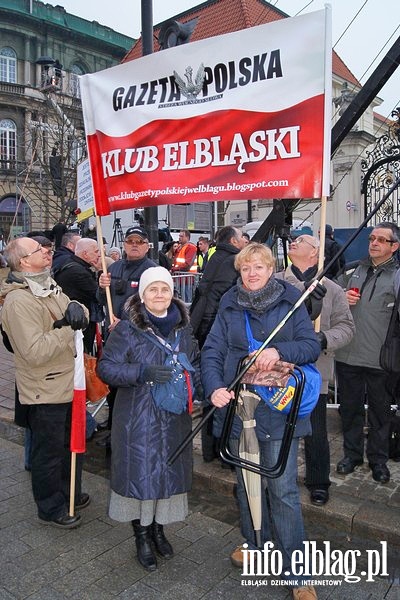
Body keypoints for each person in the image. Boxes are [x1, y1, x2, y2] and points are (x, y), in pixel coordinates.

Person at [201, 242, 320, 600]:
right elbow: (212, 350)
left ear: (271, 269)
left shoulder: (291, 300)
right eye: (246, 268)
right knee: (246, 483)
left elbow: (310, 346)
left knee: (281, 489)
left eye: (260, 267)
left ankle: (297, 572)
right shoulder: (229, 304)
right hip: (240, 409)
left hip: (277, 410)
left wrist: (279, 351)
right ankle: (256, 545)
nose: (252, 273)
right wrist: (214, 388)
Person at [97, 267, 202, 572]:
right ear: (142, 295)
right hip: (138, 416)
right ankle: (141, 535)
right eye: (153, 289)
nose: (159, 295)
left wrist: (199, 387)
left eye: (165, 289)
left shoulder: (183, 328)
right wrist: (140, 373)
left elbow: (193, 361)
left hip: (173, 417)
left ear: (173, 293)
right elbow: (107, 369)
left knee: (167, 474)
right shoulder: (127, 329)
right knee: (141, 474)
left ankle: (159, 529)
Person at [0, 237, 89, 528]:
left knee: (66, 447)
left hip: (66, 382)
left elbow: (77, 311)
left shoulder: (48, 285)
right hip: (44, 388)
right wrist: (66, 325)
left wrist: (77, 310)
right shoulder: (18, 301)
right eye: (39, 250)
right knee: (48, 453)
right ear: (24, 261)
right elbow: (34, 352)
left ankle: (68, 492)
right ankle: (50, 507)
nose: (47, 252)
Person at [276, 234, 355, 506]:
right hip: (278, 371)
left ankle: (319, 481)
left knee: (316, 431)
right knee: (276, 427)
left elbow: (346, 327)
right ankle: (275, 476)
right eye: (293, 240)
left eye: (302, 240)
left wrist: (323, 339)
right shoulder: (274, 283)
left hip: (314, 372)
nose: (293, 243)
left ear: (315, 253)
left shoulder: (331, 289)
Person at [335, 222, 400, 485]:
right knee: (349, 410)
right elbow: (327, 296)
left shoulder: (397, 274)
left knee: (379, 414)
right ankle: (352, 456)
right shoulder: (353, 269)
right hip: (348, 354)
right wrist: (341, 295)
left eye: (381, 240)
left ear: (394, 246)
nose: (374, 243)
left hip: (381, 359)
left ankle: (378, 460)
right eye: (372, 238)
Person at [97, 226, 156, 447]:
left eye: (139, 241)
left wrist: (128, 324)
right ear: (124, 244)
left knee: (134, 388)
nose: (134, 244)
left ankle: (135, 437)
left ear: (147, 246)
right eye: (130, 240)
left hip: (139, 341)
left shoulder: (152, 271)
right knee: (114, 386)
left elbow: (155, 308)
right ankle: (114, 433)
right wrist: (102, 288)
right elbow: (103, 301)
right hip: (114, 341)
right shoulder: (113, 268)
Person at [190, 225, 245, 463]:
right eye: (242, 237)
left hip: (202, 322)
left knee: (209, 387)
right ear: (234, 240)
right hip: (217, 326)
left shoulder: (213, 255)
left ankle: (210, 450)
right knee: (220, 388)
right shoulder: (233, 261)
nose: (244, 241)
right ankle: (224, 450)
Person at [54, 238, 102, 354]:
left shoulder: (71, 264)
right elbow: (98, 294)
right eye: (96, 252)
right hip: (79, 320)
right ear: (85, 254)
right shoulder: (78, 271)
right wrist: (100, 270)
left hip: (73, 317)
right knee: (83, 352)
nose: (99, 255)